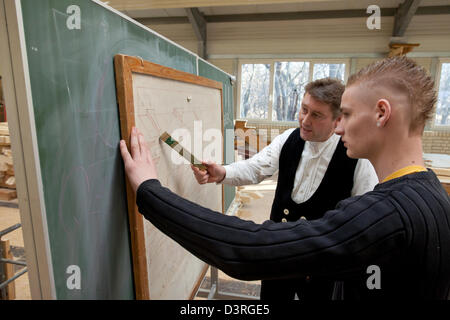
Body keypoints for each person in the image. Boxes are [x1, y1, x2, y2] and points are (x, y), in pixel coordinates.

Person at [120, 56, 450, 299]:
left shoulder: (384, 214)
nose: (338, 127)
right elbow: (259, 167)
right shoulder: (433, 197)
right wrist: (223, 173)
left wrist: (151, 191)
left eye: (345, 115)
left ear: (382, 113)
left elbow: (245, 249)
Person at [190, 78, 378, 300]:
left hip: (323, 267)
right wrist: (222, 172)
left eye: (316, 115)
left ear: (338, 120)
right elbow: (256, 167)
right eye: (304, 109)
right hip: (277, 255)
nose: (304, 120)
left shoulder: (358, 157)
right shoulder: (288, 138)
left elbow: (366, 217)